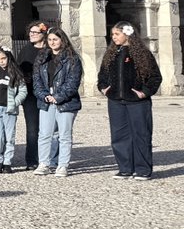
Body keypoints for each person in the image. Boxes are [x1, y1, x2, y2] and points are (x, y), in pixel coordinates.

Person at [98, 22, 162, 180]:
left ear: (127, 34)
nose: (114, 37)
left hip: (137, 102)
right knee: (119, 136)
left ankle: (143, 170)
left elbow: (155, 77)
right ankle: (125, 168)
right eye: (112, 34)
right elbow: (102, 75)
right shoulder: (111, 54)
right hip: (115, 102)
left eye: (117, 34)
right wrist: (104, 88)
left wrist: (144, 92)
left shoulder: (143, 54)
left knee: (141, 135)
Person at [32, 28, 83, 177]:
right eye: (50, 40)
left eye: (55, 39)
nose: (52, 42)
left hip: (66, 102)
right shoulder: (42, 58)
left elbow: (73, 81)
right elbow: (37, 80)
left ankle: (62, 165)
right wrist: (44, 95)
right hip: (46, 100)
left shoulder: (72, 58)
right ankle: (44, 163)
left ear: (62, 40)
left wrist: (59, 96)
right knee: (44, 134)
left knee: (64, 135)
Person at [0, 47, 26, 175]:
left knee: (9, 136)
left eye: (3, 58)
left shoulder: (15, 73)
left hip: (9, 110)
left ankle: (7, 162)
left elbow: (23, 91)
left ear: (9, 58)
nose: (1, 61)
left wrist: (14, 103)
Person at [16, 21, 50, 170]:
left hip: (48, 93)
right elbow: (18, 71)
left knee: (49, 128)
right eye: (31, 32)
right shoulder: (25, 50)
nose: (32, 35)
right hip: (30, 94)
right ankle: (31, 160)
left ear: (43, 34)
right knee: (32, 128)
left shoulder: (50, 50)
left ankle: (48, 158)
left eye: (35, 32)